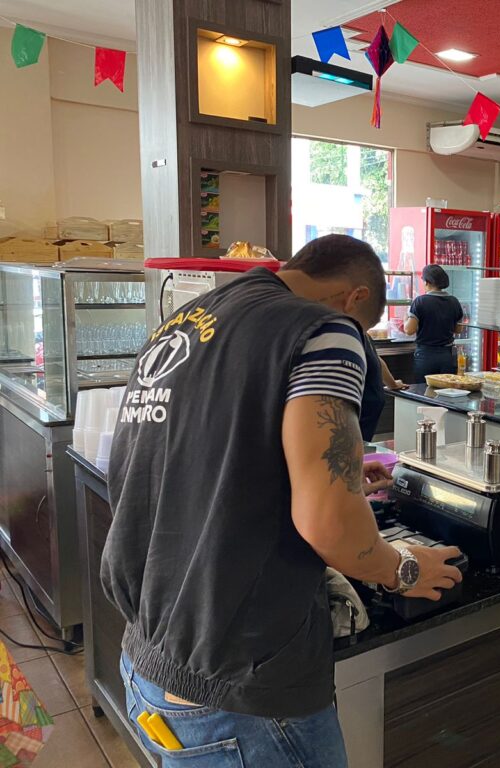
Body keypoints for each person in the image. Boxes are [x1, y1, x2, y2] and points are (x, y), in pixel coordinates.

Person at [101, 234, 463, 767]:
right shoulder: (325, 329)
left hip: (147, 655)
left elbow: (193, 457)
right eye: (364, 330)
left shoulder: (189, 320)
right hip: (242, 682)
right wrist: (403, 569)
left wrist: (313, 473)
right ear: (352, 298)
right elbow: (328, 524)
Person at [404, 264, 465, 382]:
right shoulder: (454, 301)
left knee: (423, 392)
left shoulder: (420, 301)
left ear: (427, 282)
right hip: (447, 356)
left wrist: (405, 317)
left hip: (426, 356)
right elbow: (459, 330)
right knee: (447, 393)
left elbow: (409, 330)